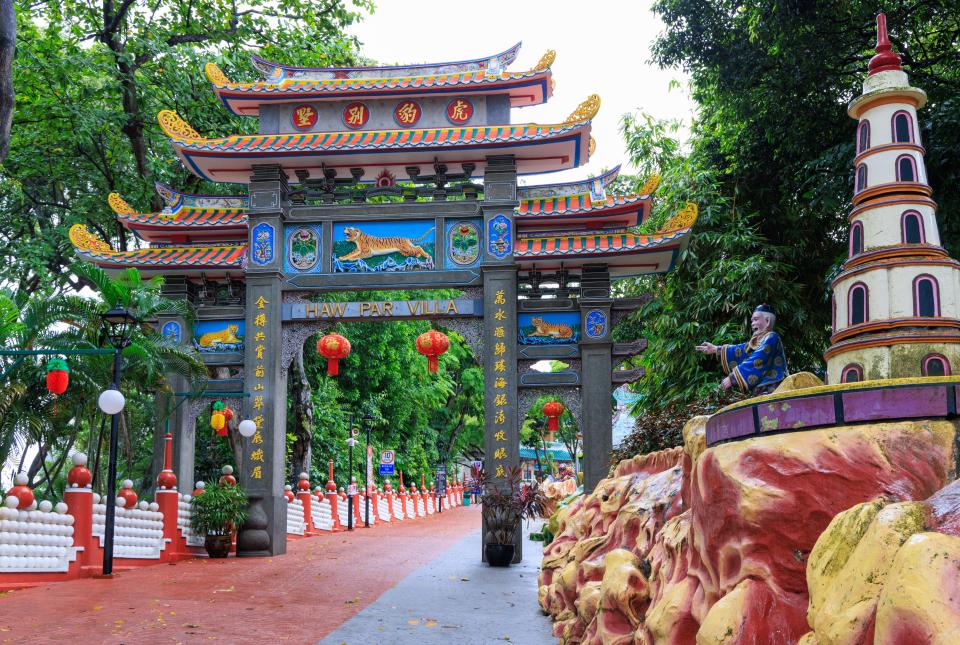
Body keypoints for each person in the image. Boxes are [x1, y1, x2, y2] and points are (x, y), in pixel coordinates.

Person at [695, 304, 789, 395]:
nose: (752, 324)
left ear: (767, 321)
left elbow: (757, 360)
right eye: (752, 321)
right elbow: (741, 350)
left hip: (774, 385)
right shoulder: (756, 341)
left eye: (756, 320)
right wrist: (715, 349)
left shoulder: (772, 337)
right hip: (763, 389)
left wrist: (732, 378)